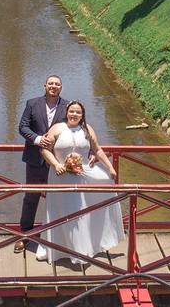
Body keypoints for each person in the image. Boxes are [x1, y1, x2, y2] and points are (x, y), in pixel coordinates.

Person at [34, 100, 125, 265]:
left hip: (82, 174)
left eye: (78, 112)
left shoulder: (87, 129)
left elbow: (97, 149)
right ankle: (58, 249)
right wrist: (56, 164)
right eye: (71, 111)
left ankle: (82, 249)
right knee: (62, 212)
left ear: (82, 115)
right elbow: (44, 150)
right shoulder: (56, 128)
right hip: (60, 176)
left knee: (81, 212)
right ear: (66, 112)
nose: (74, 115)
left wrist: (110, 167)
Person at [16, 75, 69, 253]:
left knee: (60, 198)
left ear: (61, 87)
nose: (53, 86)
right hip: (35, 159)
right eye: (51, 84)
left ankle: (60, 236)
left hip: (58, 161)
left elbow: (78, 128)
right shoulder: (32, 104)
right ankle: (25, 235)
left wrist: (91, 151)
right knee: (31, 197)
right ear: (44, 85)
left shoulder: (68, 106)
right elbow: (23, 127)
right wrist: (38, 139)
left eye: (57, 84)